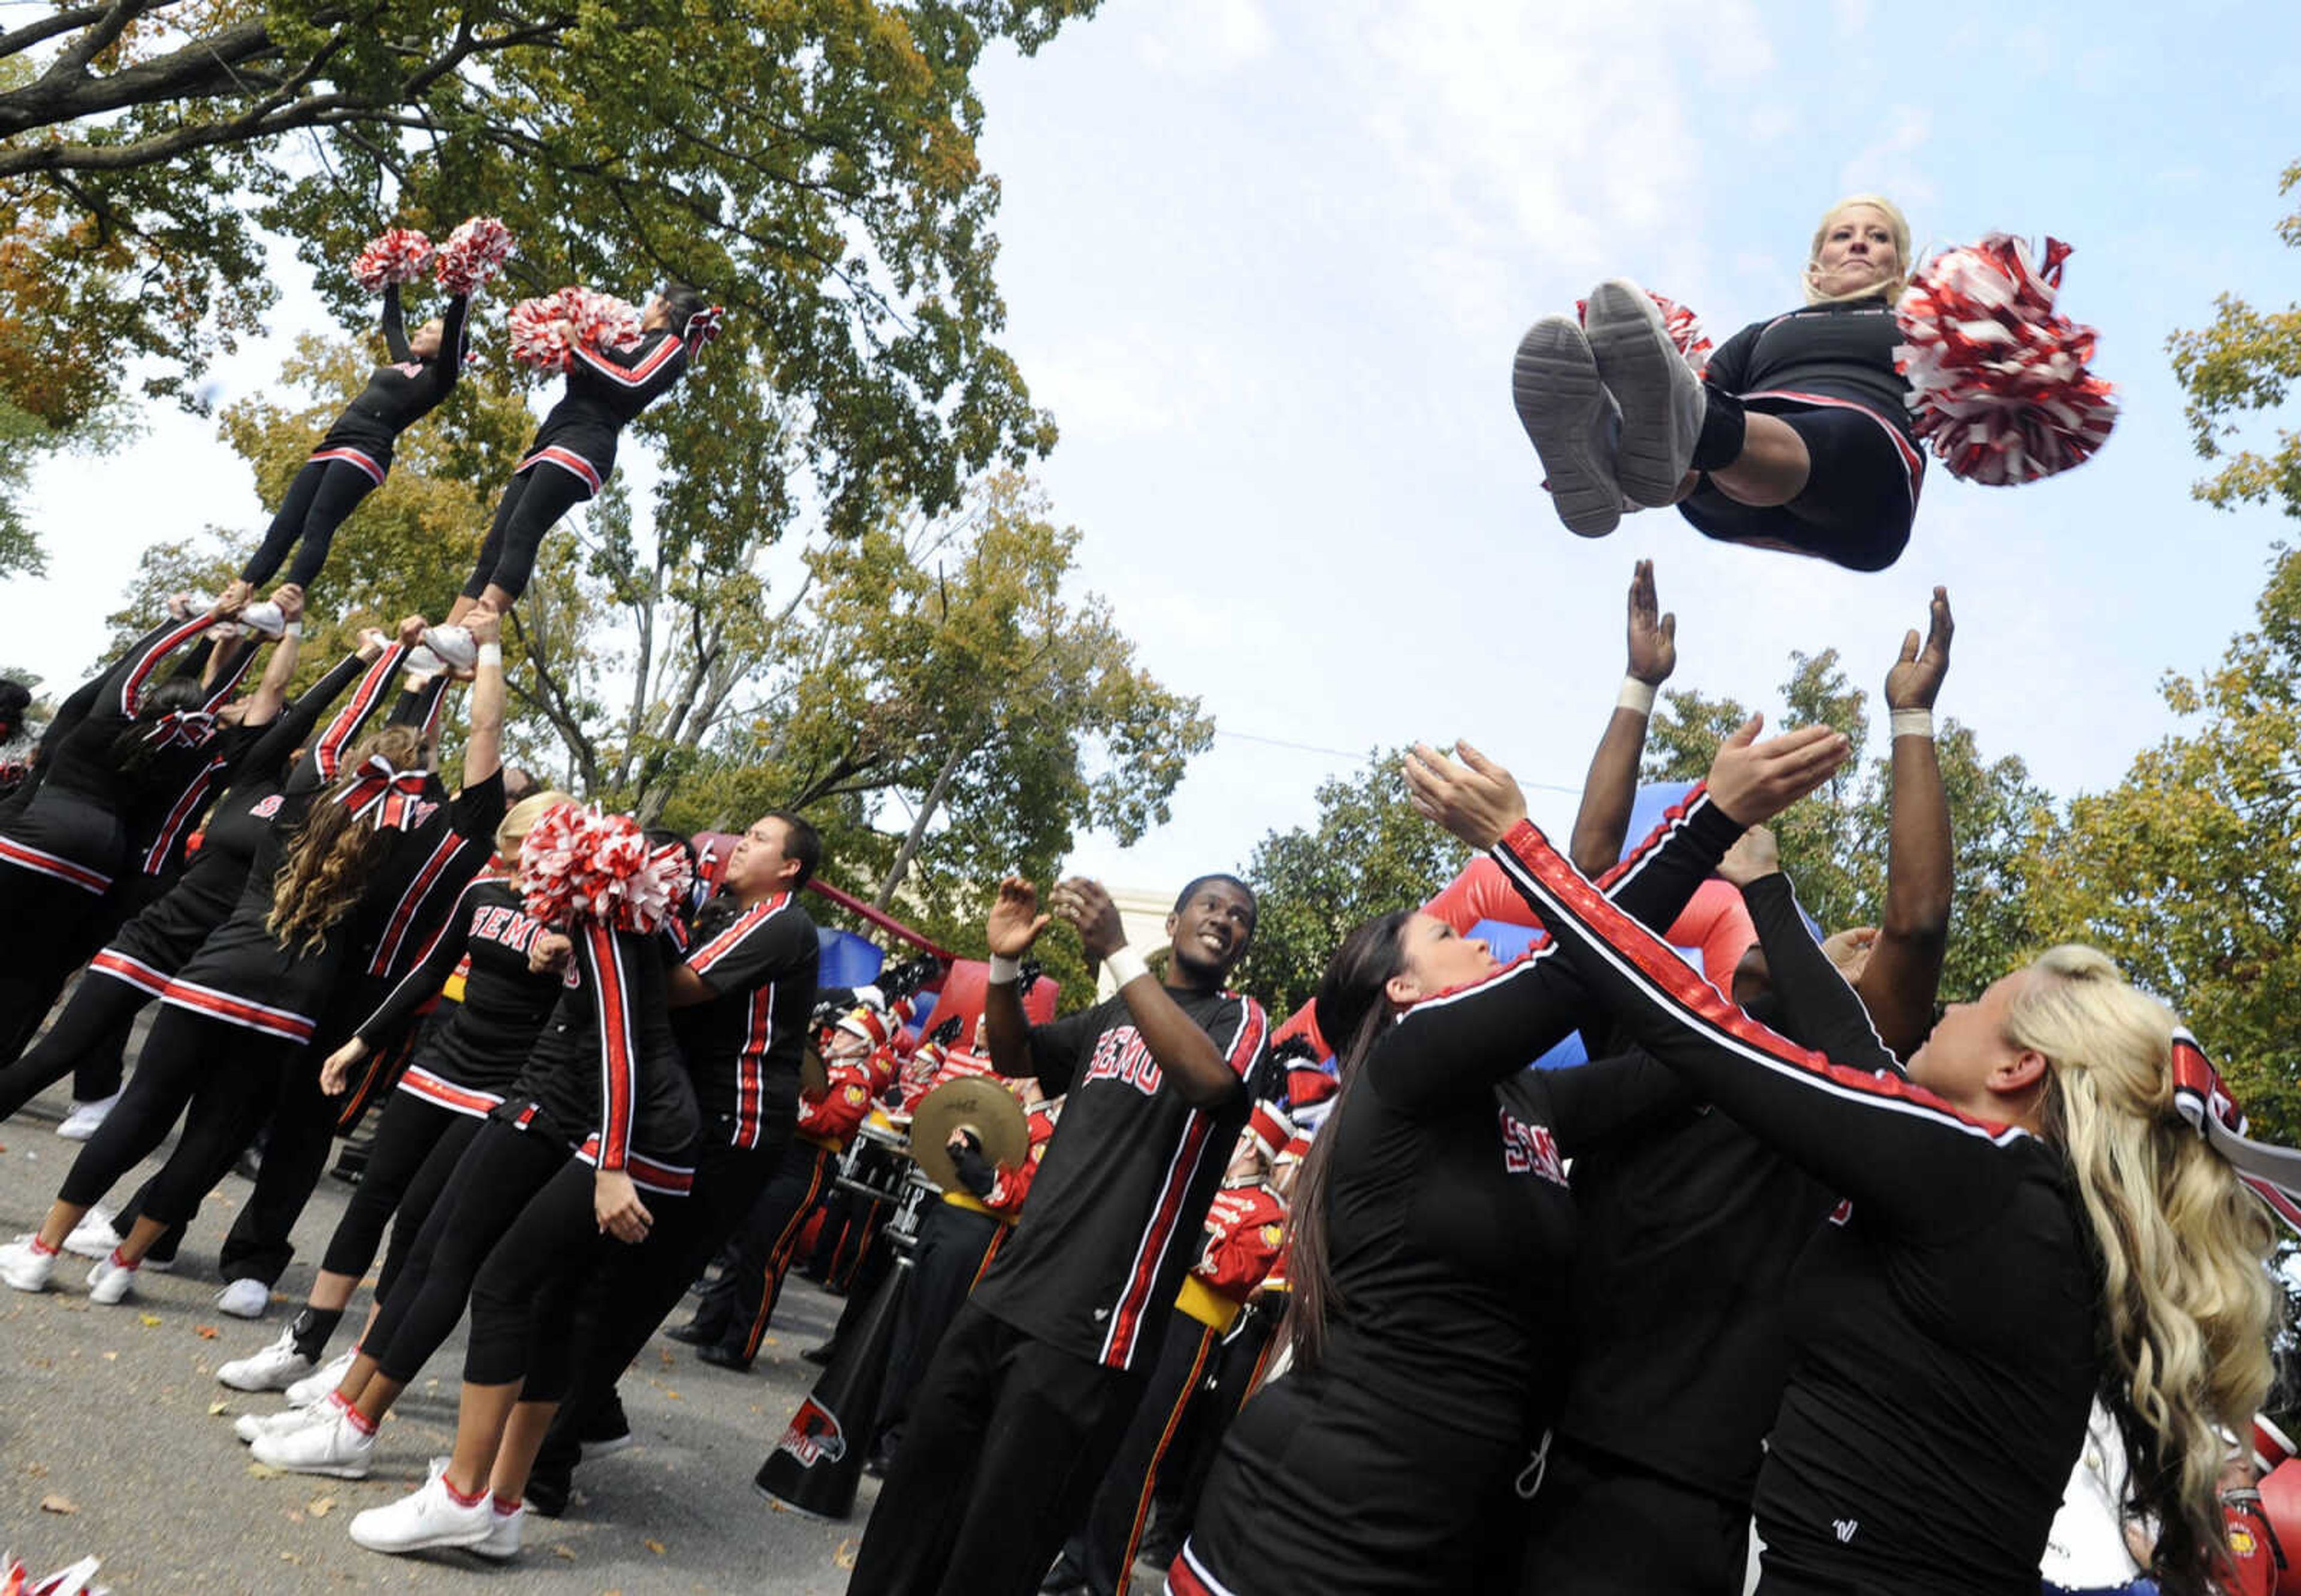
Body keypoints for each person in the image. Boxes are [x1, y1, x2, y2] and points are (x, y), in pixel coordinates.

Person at [1404, 743, 2282, 1596]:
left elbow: (1697, 1024)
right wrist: (1769, 891)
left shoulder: (1983, 1181)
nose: (1955, 1003)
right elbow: (1858, 1055)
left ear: (2019, 1072)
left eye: (1984, 1000)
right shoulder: (2024, 1203)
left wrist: (1518, 844)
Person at [1170, 721, 1849, 1596]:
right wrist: (1710, 817)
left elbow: (1683, 1058)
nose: (1484, 942)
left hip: (1446, 1531)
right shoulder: (1404, 1071)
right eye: (1456, 942)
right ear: (1402, 989)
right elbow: (1576, 966)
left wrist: (1802, 975)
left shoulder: (1528, 1103)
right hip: (1307, 1525)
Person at [1519, 575, 1955, 1595]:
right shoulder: (1659, 1029)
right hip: (1526, 1433)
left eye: (1837, 945)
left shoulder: (1835, 1094)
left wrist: (1912, 713)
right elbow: (1585, 889)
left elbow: (1920, 924)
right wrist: (1638, 685)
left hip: (1676, 1493)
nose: (1805, 938)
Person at [0, 607, 505, 1302]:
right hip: (299, 1002)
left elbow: (331, 732)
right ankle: (125, 1268)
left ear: (348, 766)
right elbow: (482, 742)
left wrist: (389, 657)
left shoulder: (304, 798)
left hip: (220, 970)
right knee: (217, 1132)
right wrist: (468, 662)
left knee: (143, 1109)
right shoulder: (414, 831)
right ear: (421, 786)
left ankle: (42, 1249)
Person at [250, 815, 698, 1567]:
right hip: (571, 1108)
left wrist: (613, 1163)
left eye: (539, 855)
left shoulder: (611, 921)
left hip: (620, 1128)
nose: (521, 868)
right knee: (533, 1299)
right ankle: (495, 1506)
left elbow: (622, 1041)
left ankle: (459, 1494)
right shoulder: (596, 925)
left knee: (498, 1286)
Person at [847, 874, 1271, 1596]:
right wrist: (1006, 966)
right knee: (916, 1497)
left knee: (997, 1537)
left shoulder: (1239, 1022)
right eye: (1211, 906)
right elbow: (1017, 1058)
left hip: (1095, 1326)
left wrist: (1117, 952)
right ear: (1174, 921)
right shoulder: (1115, 1014)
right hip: (1009, 1292)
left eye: (1241, 918)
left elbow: (1210, 1083)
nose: (1226, 921)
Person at [215, 787, 572, 1398]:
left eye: (524, 851)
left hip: (500, 1090)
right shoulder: (481, 893)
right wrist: (361, 1043)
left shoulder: (583, 921)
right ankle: (306, 1340)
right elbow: (430, 973)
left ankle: (362, 1362)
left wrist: (568, 954)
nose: (513, 864)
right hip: (439, 1066)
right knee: (371, 1198)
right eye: (509, 850)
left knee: (418, 1221)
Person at [521, 809, 822, 1509]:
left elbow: (682, 987)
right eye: (742, 833)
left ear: (789, 869)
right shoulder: (722, 910)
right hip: (695, 1114)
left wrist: (612, 920)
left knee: (626, 1286)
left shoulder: (779, 919)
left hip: (730, 1129)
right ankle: (590, 1418)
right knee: (607, 1274)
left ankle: (547, 1464)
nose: (741, 843)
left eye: (759, 840)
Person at [0, 603, 359, 1135]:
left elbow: (251, 696)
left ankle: (90, 1089)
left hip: (138, 881)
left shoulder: (190, 746)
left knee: (63, 983)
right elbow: (227, 695)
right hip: (123, 870)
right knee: (49, 976)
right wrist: (259, 640)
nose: (234, 706)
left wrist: (243, 636)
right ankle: (78, 1084)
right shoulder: (194, 746)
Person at [1514, 195, 1923, 570]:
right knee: (1692, 417)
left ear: (1899, 266)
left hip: (1863, 491)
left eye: (1878, 236)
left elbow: (1972, 398)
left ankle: (1681, 438)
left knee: (1841, 434)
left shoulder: (1922, 330)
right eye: (1843, 235)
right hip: (1731, 486)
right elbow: (1695, 387)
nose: (1858, 244)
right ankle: (1615, 456)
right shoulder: (1766, 331)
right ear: (1818, 261)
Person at [418, 284, 714, 666]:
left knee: (525, 528)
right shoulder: (616, 338)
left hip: (586, 442)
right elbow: (586, 369)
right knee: (496, 542)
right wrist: (562, 338)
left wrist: (579, 347)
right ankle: (440, 645)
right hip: (552, 435)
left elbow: (632, 383)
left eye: (652, 299)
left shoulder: (670, 348)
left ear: (664, 306)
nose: (644, 306)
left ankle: (474, 634)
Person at [234, 279, 472, 625]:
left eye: (430, 329)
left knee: (319, 524)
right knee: (285, 524)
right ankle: (240, 592)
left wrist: (462, 286)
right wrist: (393, 281)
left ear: (446, 342)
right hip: (333, 443)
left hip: (366, 450)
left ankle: (282, 604)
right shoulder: (406, 363)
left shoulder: (442, 376)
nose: (420, 331)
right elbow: (392, 325)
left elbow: (456, 326)